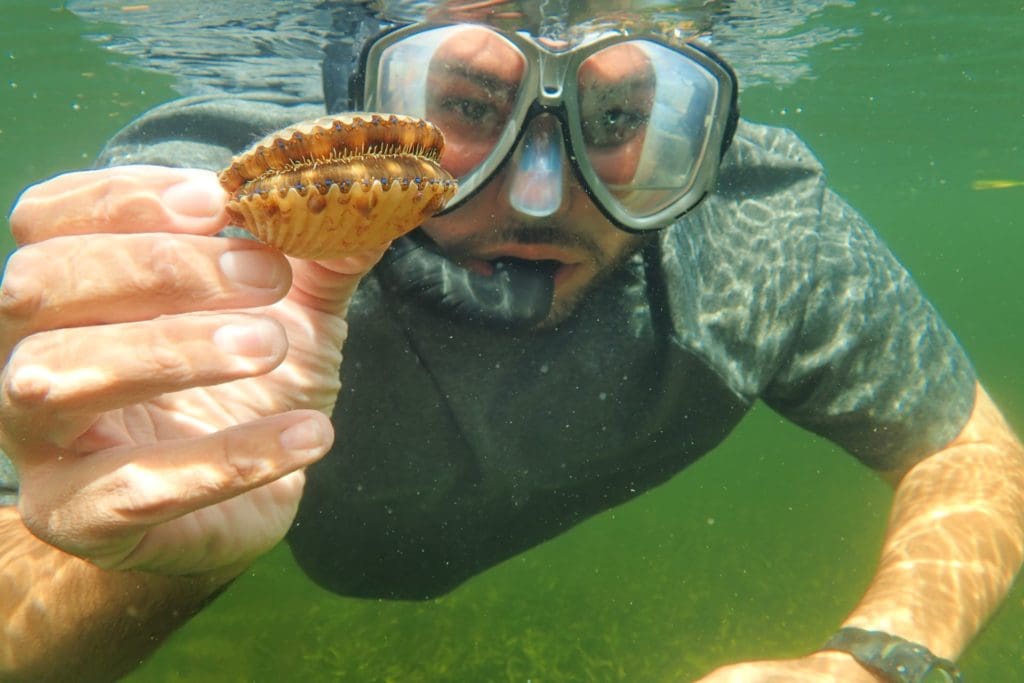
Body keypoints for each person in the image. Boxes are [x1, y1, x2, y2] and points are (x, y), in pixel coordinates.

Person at [1, 2, 1022, 681]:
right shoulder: (228, 217)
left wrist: (878, 659)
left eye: (617, 115)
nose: (538, 195)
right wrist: (137, 538)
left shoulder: (760, 235)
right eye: (467, 108)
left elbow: (970, 448)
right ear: (363, 94)